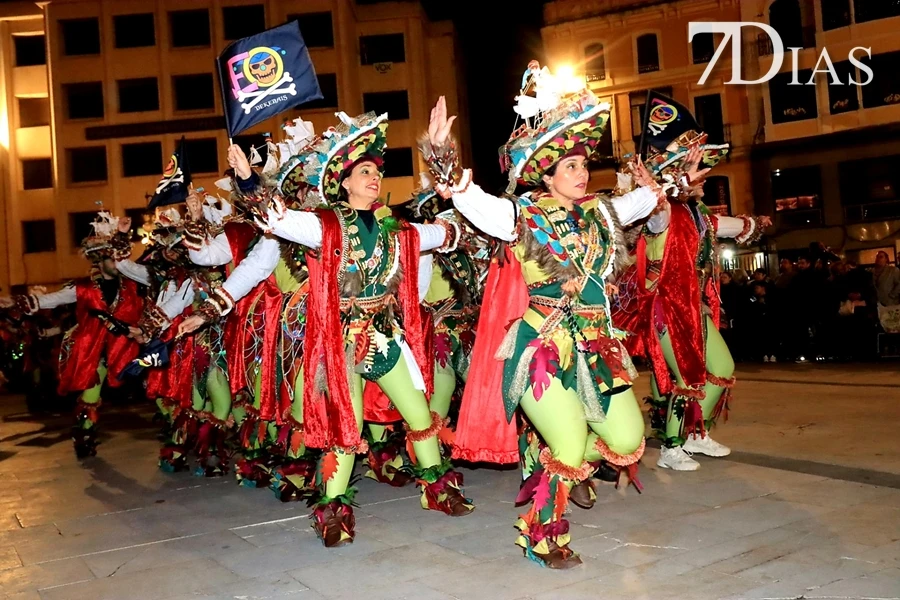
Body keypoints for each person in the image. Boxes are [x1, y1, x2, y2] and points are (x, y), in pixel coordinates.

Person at [426, 64, 663, 568]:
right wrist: (444, 159)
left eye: (583, 165)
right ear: (547, 175)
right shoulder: (522, 216)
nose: (582, 173)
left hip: (597, 346)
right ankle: (542, 534)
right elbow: (476, 203)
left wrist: (665, 178)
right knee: (572, 444)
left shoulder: (602, 213)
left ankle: (550, 455)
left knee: (627, 440)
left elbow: (641, 202)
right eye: (570, 166)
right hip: (543, 347)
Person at [252, 110, 474, 547]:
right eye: (365, 172)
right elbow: (277, 220)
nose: (375, 178)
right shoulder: (325, 226)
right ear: (345, 183)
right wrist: (250, 182)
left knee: (418, 413)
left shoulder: (397, 230)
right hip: (339, 345)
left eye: (376, 171)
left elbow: (444, 235)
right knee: (346, 428)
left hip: (382, 337)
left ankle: (436, 487)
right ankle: (333, 511)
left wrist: (455, 198)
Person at [613, 133, 771, 472]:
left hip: (693, 307)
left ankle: (696, 434)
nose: (703, 176)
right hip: (666, 308)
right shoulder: (663, 213)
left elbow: (725, 226)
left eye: (702, 170)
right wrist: (661, 186)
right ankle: (671, 447)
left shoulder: (696, 213)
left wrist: (754, 223)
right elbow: (656, 211)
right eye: (697, 170)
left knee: (722, 368)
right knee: (687, 376)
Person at [0, 212, 144, 458]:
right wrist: (15, 301)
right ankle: (84, 434)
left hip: (131, 347)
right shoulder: (82, 288)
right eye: (112, 259)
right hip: (96, 351)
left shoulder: (133, 284)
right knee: (91, 395)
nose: (118, 263)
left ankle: (178, 433)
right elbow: (51, 299)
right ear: (100, 260)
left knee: (160, 386)